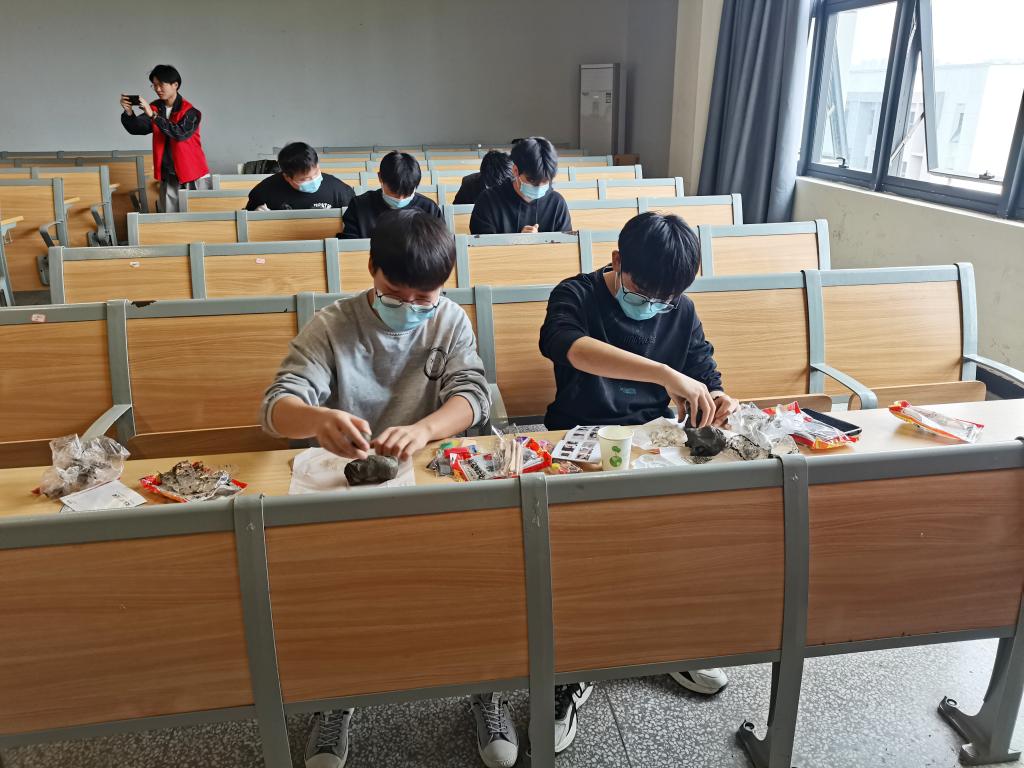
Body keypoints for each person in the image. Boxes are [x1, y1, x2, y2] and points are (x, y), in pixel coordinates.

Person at [260, 209, 490, 768]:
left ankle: (489, 686)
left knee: (484, 572)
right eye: (394, 294)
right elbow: (277, 406)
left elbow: (473, 395)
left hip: (429, 476)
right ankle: (336, 694)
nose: (409, 308)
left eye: (424, 298)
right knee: (337, 594)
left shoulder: (449, 321)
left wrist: (425, 428)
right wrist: (317, 419)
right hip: (351, 487)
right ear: (371, 270)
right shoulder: (332, 325)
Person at [534, 212, 740, 751]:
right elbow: (568, 345)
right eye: (644, 293)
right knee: (578, 560)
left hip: (653, 443)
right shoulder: (576, 294)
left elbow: (705, 371)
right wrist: (665, 374)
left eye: (665, 300)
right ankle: (568, 669)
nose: (653, 306)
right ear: (617, 261)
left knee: (681, 544)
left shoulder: (679, 308)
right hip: (579, 441)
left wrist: (718, 397)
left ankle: (666, 641)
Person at [120, 65, 209, 213]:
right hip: (169, 174)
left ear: (175, 85)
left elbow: (179, 133)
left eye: (161, 84)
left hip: (194, 173)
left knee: (197, 218)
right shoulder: (155, 107)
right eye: (154, 85)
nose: (157, 89)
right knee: (169, 219)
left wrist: (153, 116)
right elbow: (138, 128)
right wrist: (129, 113)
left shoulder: (191, 112)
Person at [468, 137, 571, 235]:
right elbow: (481, 245)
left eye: (545, 182)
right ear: (515, 171)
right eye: (531, 180)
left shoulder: (557, 203)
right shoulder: (488, 201)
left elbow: (566, 244)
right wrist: (518, 241)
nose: (538, 187)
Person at [340, 151, 442, 239]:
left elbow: (441, 249)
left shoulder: (430, 210)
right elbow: (351, 249)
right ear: (380, 178)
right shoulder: (358, 206)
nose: (400, 198)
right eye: (394, 192)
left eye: (407, 192)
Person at [245, 142, 354, 211]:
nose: (313, 180)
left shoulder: (340, 191)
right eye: (305, 179)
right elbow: (247, 220)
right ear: (287, 177)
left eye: (316, 173)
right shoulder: (264, 191)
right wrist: (255, 217)